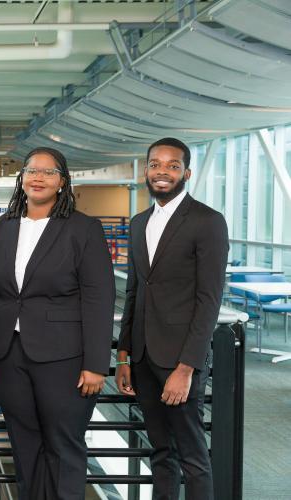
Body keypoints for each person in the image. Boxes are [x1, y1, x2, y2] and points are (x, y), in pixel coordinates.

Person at [0, 147, 115, 500]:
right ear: (21, 178)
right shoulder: (1, 227)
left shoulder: (83, 229)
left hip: (64, 356)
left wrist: (97, 364)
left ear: (62, 182)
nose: (37, 177)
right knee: (24, 444)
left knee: (63, 445)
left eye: (48, 172)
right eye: (31, 170)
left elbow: (99, 298)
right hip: (8, 354)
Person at [116, 138, 228, 500]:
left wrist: (187, 367)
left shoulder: (207, 221)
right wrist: (124, 355)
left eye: (172, 165)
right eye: (155, 164)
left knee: (193, 456)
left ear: (187, 173)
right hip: (144, 358)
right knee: (161, 452)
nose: (162, 171)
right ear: (145, 170)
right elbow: (134, 293)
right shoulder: (138, 223)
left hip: (180, 359)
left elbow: (209, 301)